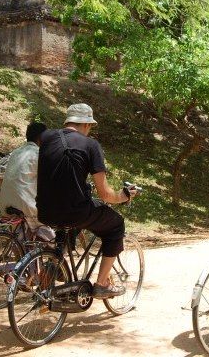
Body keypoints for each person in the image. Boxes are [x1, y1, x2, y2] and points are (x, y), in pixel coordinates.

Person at [36, 103, 138, 299]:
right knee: (116, 225)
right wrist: (124, 196)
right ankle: (102, 284)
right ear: (87, 125)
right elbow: (105, 195)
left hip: (45, 210)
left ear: (68, 121)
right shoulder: (90, 145)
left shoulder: (47, 138)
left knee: (68, 224)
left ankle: (53, 266)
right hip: (76, 211)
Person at [0, 122, 54, 241]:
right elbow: (48, 181)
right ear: (41, 137)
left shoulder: (16, 152)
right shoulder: (39, 154)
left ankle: (25, 253)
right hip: (24, 204)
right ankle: (50, 253)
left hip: (5, 203)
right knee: (50, 235)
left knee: (25, 235)